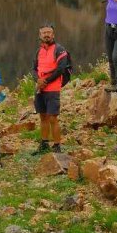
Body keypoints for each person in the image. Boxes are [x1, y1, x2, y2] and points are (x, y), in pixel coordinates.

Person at [33, 25, 69, 155]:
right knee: (43, 117)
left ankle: (57, 145)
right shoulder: (39, 51)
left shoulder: (59, 49)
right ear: (40, 35)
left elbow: (61, 69)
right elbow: (34, 69)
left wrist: (45, 82)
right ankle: (44, 144)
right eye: (44, 33)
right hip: (40, 89)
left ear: (53, 35)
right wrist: (37, 80)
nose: (46, 35)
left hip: (53, 89)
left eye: (49, 32)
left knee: (53, 117)